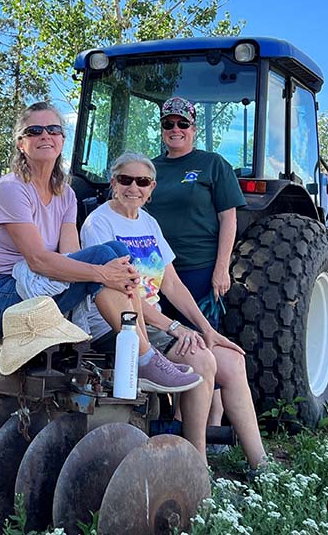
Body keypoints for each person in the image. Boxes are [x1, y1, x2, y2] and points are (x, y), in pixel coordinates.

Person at [0, 101, 201, 395]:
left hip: (41, 292)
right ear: (21, 143)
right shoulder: (11, 189)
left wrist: (104, 272)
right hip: (0, 297)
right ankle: (146, 359)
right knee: (107, 258)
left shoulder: (65, 194)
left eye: (53, 129)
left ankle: (144, 357)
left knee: (115, 253)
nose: (46, 135)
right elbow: (39, 261)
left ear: (62, 140)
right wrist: (102, 274)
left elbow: (70, 258)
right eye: (35, 130)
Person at [81, 151, 266, 468]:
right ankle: (196, 464)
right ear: (113, 182)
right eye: (126, 180)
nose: (133, 188)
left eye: (142, 182)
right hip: (118, 326)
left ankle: (261, 465)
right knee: (200, 359)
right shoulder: (98, 224)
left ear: (152, 188)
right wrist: (174, 327)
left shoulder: (148, 222)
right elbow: (128, 294)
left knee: (232, 360)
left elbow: (172, 284)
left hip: (153, 322)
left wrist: (207, 330)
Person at [147, 95, 247, 427]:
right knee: (174, 344)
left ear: (193, 128)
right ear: (162, 128)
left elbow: (228, 219)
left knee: (205, 342)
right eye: (168, 124)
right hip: (159, 274)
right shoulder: (150, 170)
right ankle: (177, 417)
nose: (175, 129)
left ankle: (212, 423)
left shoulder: (212, 165)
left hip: (200, 271)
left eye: (182, 124)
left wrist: (221, 269)